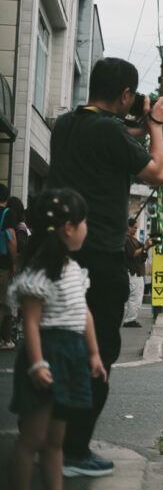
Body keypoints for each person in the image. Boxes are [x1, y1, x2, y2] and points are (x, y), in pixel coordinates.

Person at [47, 57, 163, 477]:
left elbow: (114, 137)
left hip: (59, 257)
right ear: (126, 95)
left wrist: (136, 120)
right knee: (97, 356)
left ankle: (51, 443)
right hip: (99, 258)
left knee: (60, 350)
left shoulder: (65, 125)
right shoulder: (110, 131)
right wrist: (156, 126)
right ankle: (75, 451)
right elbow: (156, 173)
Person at [8, 190, 106, 489]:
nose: (86, 228)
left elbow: (84, 314)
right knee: (32, 440)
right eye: (84, 221)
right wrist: (37, 363)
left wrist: (93, 354)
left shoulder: (73, 269)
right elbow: (32, 322)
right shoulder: (41, 271)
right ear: (68, 227)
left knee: (55, 441)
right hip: (47, 354)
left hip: (71, 356)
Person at [122, 221, 155, 328]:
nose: (135, 230)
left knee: (138, 297)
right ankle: (129, 320)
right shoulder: (126, 239)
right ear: (128, 227)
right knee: (134, 296)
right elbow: (133, 253)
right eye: (134, 228)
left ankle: (132, 318)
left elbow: (142, 249)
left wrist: (148, 245)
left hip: (139, 271)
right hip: (133, 271)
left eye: (136, 228)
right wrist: (145, 246)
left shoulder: (133, 239)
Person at [1, 183, 19, 351]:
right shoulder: (8, 214)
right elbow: (11, 237)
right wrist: (14, 263)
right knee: (1, 303)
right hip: (2, 264)